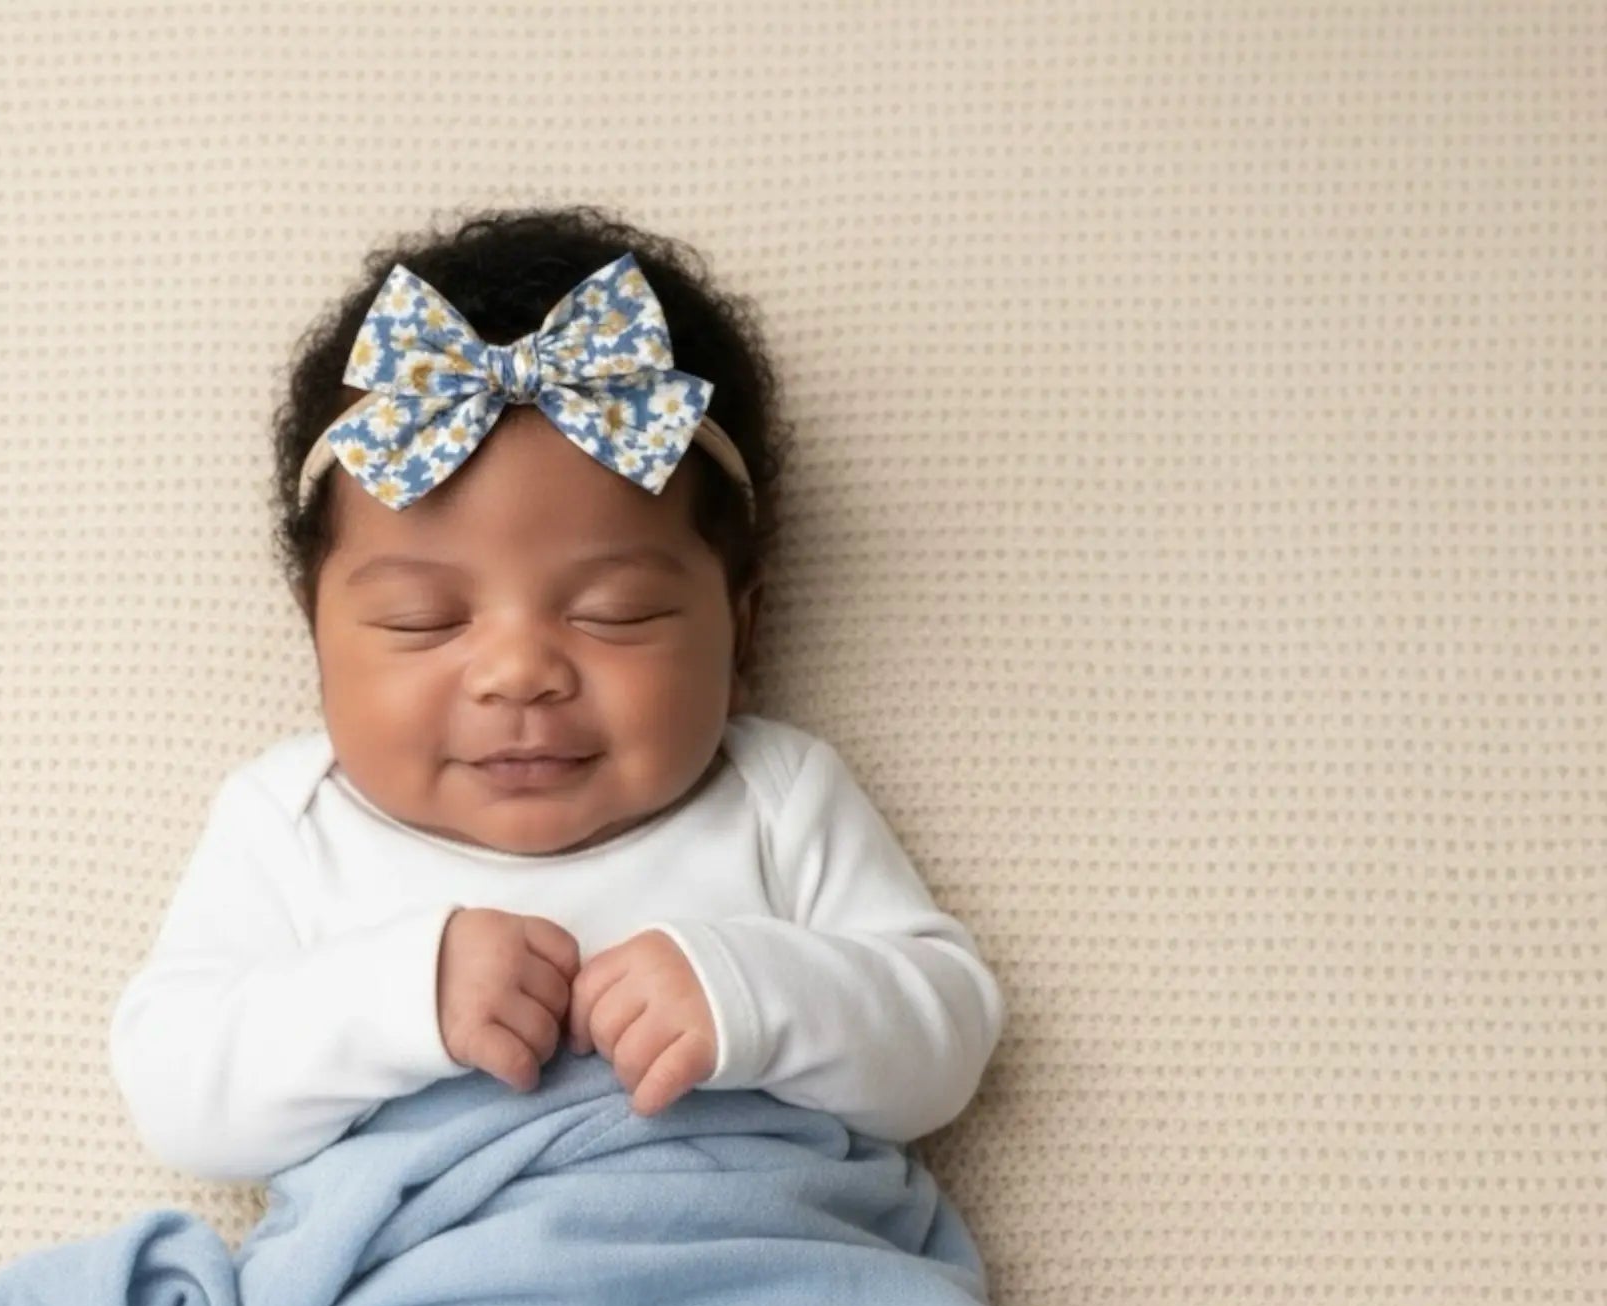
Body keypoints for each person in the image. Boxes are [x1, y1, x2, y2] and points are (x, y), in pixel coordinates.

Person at [109, 203, 1007, 1184]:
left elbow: (944, 1038)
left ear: (741, 625)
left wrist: (753, 992)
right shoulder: (290, 821)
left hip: (775, 1277)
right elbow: (177, 1089)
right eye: (421, 620)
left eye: (614, 612)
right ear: (314, 633)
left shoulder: (771, 794)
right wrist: (402, 994)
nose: (519, 672)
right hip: (424, 1301)